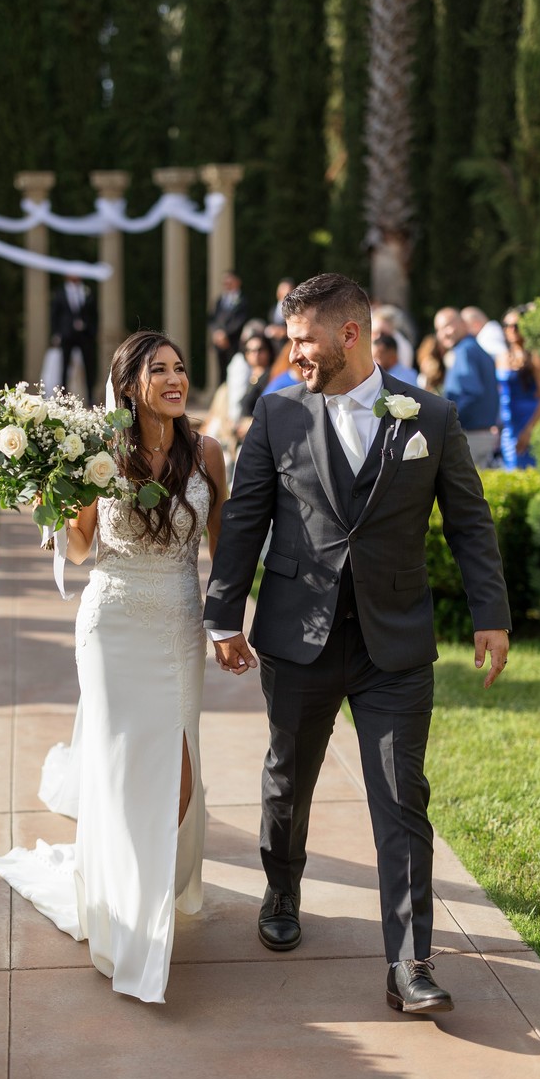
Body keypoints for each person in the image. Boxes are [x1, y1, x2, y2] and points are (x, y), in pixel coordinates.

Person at [204, 273, 511, 1016]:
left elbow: (468, 522)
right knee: (286, 780)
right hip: (296, 635)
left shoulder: (428, 416)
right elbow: (244, 518)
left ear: (351, 335)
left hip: (394, 641)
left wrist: (489, 613)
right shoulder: (275, 414)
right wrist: (221, 615)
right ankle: (281, 884)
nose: (292, 352)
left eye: (303, 339)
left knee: (402, 797)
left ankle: (408, 962)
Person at [0, 330, 228, 1004]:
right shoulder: (96, 457)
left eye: (180, 368)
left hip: (176, 623)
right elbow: (84, 548)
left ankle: (158, 883)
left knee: (179, 774)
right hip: (112, 624)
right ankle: (128, 924)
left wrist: (228, 626)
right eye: (160, 369)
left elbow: (224, 550)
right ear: (129, 385)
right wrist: (50, 505)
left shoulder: (206, 453)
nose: (175, 379)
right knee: (121, 775)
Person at [433, 306, 500, 468]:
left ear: (463, 324)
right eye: (439, 329)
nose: (445, 333)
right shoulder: (473, 348)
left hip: (471, 435)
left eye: (449, 325)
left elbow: (470, 392)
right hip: (481, 433)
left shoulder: (465, 351)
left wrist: (445, 420)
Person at [496, 307, 540, 469]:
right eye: (507, 325)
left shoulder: (537, 357)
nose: (511, 330)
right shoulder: (502, 357)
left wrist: (530, 430)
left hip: (531, 420)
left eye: (516, 325)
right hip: (508, 426)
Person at [50, 276, 98, 403]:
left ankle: (90, 397)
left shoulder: (87, 290)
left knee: (89, 366)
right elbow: (55, 314)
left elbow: (94, 313)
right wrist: (56, 333)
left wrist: (91, 330)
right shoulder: (60, 292)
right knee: (64, 367)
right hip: (67, 335)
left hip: (85, 335)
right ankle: (62, 398)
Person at [207, 271, 250, 383]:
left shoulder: (243, 300)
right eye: (225, 282)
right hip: (220, 344)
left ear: (237, 282)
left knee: (234, 370)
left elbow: (240, 320)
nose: (227, 284)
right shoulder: (219, 300)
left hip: (233, 342)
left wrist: (226, 334)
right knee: (221, 372)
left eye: (230, 281)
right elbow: (213, 319)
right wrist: (217, 333)